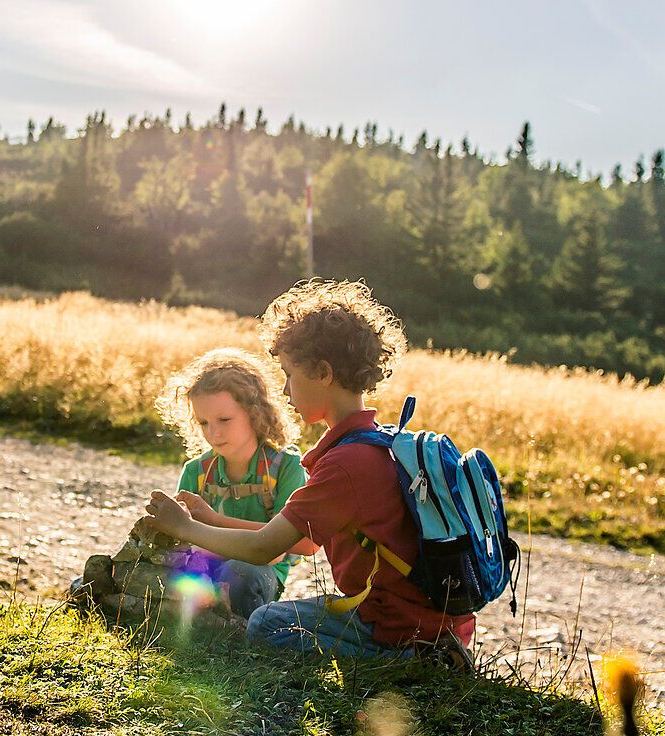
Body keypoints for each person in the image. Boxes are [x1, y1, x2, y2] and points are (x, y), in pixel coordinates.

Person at [145, 280, 474, 667]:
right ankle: (427, 649)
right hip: (421, 615)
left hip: (395, 624)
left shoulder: (346, 465)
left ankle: (414, 660)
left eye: (289, 374)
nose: (284, 390)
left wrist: (183, 527)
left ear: (322, 372)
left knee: (266, 624)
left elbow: (267, 547)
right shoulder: (376, 444)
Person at [74, 347, 312, 624]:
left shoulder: (286, 467)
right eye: (203, 422)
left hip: (258, 569)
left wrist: (213, 520)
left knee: (238, 574)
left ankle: (217, 622)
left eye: (224, 420)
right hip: (203, 563)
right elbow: (182, 541)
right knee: (142, 574)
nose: (214, 432)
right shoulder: (196, 471)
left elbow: (305, 544)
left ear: (255, 412)